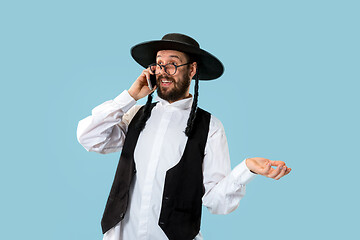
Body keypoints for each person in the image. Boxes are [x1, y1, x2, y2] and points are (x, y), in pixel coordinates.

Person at [77, 33, 291, 240]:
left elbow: (218, 203)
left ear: (192, 70)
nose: (163, 71)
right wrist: (130, 96)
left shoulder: (211, 128)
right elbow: (89, 136)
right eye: (159, 63)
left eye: (172, 63)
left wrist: (246, 169)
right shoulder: (135, 115)